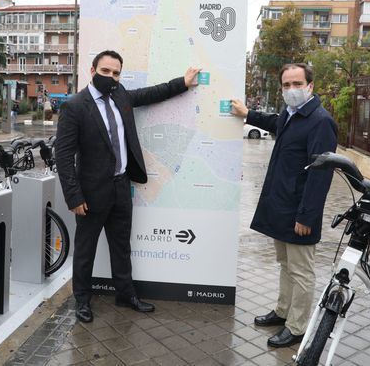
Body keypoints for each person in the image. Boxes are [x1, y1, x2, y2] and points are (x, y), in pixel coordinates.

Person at [55, 49, 201, 323]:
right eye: (105, 72)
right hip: (90, 193)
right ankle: (82, 301)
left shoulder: (120, 96)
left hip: (122, 187)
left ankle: (125, 295)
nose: (111, 77)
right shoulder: (75, 106)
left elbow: (150, 94)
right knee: (85, 249)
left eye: (116, 73)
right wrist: (74, 196)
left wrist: (182, 82)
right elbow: (62, 157)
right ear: (92, 71)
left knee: (121, 246)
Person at [230, 63, 337, 348]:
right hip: (282, 208)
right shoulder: (291, 116)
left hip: (300, 213)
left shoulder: (320, 120)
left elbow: (321, 174)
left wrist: (307, 216)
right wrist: (247, 114)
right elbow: (272, 122)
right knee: (285, 264)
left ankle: (298, 327)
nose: (291, 89)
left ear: (310, 86)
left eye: (297, 83)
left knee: (301, 271)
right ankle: (283, 311)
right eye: (286, 85)